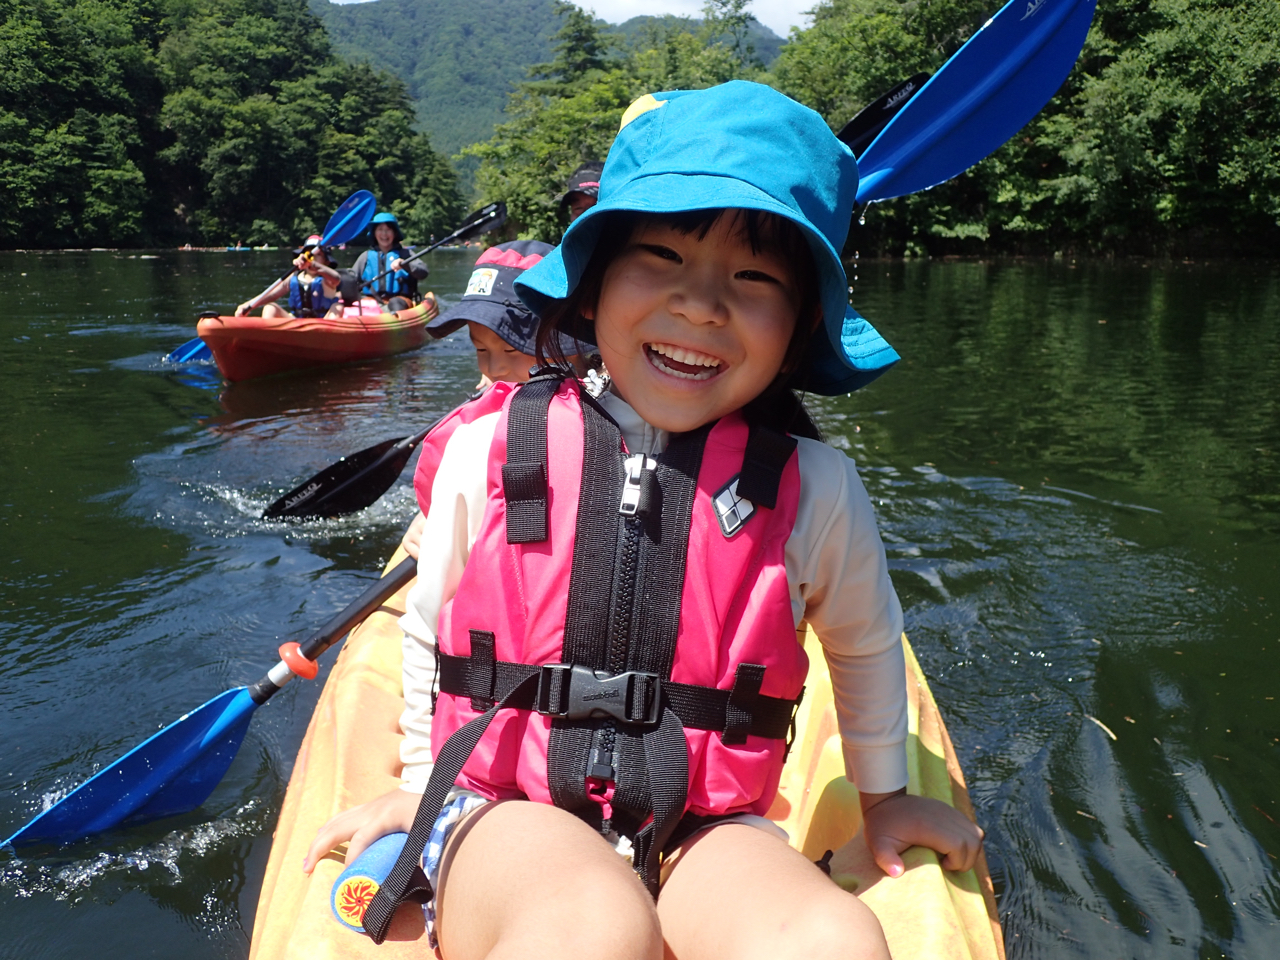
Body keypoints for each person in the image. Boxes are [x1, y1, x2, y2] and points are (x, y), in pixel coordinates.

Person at [305, 82, 983, 959]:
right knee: (588, 929)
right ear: (589, 290)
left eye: (752, 279)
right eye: (660, 258)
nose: (701, 305)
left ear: (798, 325)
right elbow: (434, 631)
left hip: (709, 831)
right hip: (507, 813)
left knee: (832, 941)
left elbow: (861, 643)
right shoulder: (489, 449)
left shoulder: (816, 489)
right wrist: (416, 785)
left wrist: (886, 796)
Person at [400, 240, 583, 559]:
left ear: (571, 342)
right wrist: (438, 513)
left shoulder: (594, 417)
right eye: (480, 350)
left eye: (512, 348)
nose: (493, 368)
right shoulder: (487, 418)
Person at [233, 236, 342, 318]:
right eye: (308, 254)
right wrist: (248, 305)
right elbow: (271, 294)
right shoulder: (294, 277)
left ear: (326, 261)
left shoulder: (329, 279)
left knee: (338, 306)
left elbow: (336, 278)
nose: (311, 257)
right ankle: (266, 341)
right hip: (297, 323)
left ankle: (328, 342)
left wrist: (311, 264)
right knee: (270, 307)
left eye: (317, 254)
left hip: (323, 325)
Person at [349, 212, 427, 313]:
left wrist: (405, 264)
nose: (384, 234)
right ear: (374, 233)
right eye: (380, 229)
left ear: (394, 233)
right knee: (357, 305)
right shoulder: (366, 256)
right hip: (372, 301)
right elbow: (351, 279)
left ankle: (396, 322)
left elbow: (423, 272)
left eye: (388, 230)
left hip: (400, 301)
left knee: (395, 303)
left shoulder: (405, 254)